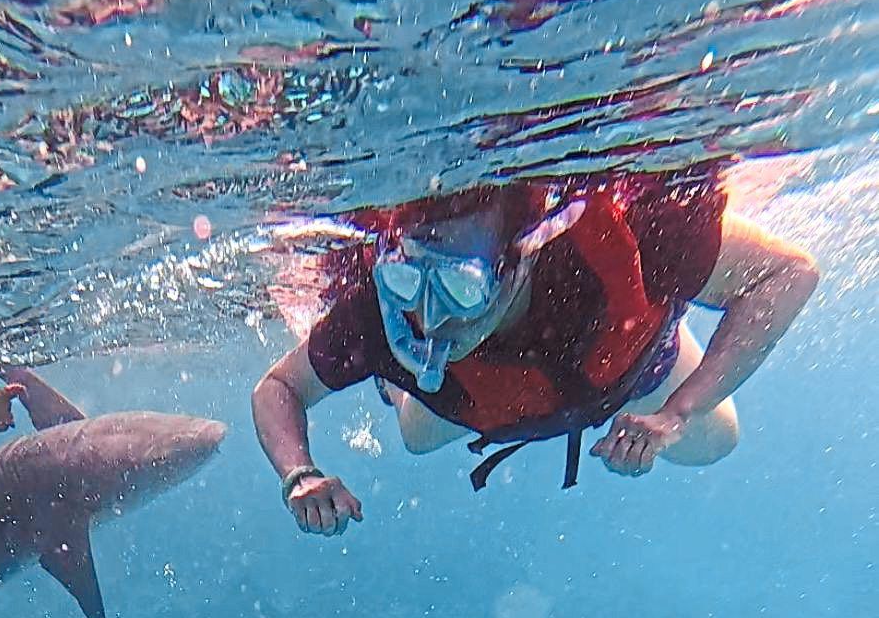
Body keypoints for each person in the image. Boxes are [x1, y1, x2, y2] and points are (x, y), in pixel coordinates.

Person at [251, 173, 818, 536]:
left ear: (521, 257)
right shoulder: (378, 315)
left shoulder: (635, 233)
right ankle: (394, 380)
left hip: (633, 370)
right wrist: (298, 474)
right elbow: (277, 387)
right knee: (416, 438)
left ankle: (670, 318)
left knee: (714, 442)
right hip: (476, 402)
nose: (432, 316)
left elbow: (790, 273)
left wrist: (680, 410)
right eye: (407, 282)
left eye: (462, 287)